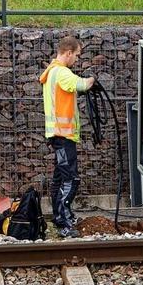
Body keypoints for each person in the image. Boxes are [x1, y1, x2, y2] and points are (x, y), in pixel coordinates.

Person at [39, 36, 95, 238]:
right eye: (77, 55)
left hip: (59, 135)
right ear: (68, 52)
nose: (77, 60)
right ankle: (64, 222)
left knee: (59, 179)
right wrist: (91, 80)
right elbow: (81, 85)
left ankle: (62, 216)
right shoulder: (61, 72)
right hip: (63, 135)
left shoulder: (52, 72)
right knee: (70, 179)